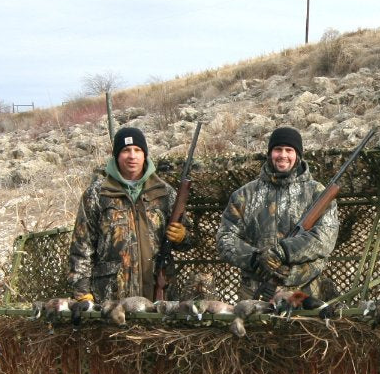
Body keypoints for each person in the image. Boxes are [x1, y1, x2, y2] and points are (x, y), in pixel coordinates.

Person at [67, 125, 194, 302]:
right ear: (117, 156)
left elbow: (191, 241)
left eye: (137, 150)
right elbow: (81, 247)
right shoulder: (97, 194)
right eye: (126, 150)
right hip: (111, 300)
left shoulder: (165, 193)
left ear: (145, 155)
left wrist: (183, 236)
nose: (132, 156)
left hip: (159, 295)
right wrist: (82, 293)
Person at [216, 126, 339, 301]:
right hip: (254, 291)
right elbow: (225, 238)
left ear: (298, 155)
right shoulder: (244, 195)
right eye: (277, 149)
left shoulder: (318, 194)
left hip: (304, 292)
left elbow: (325, 238)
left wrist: (283, 252)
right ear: (269, 153)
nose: (283, 155)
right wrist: (256, 259)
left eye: (289, 150)